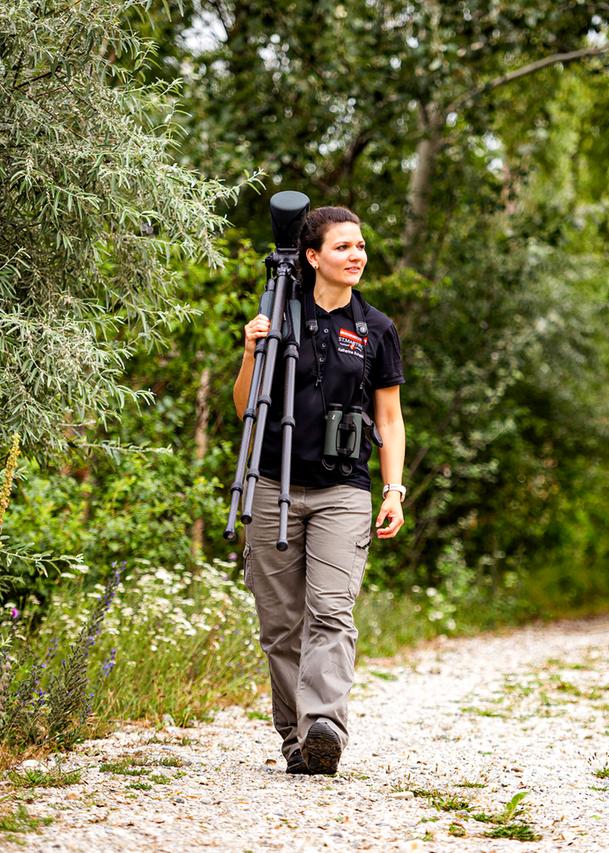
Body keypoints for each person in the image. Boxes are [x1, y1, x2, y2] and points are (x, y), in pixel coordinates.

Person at [233, 206, 406, 776]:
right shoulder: (277, 315)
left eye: (361, 247)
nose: (357, 255)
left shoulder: (376, 328)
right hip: (270, 485)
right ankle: (296, 739)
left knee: (331, 612)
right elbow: (245, 411)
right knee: (280, 625)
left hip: (344, 491)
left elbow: (390, 416)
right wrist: (251, 352)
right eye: (343, 247)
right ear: (312, 256)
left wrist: (393, 489)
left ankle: (324, 725)